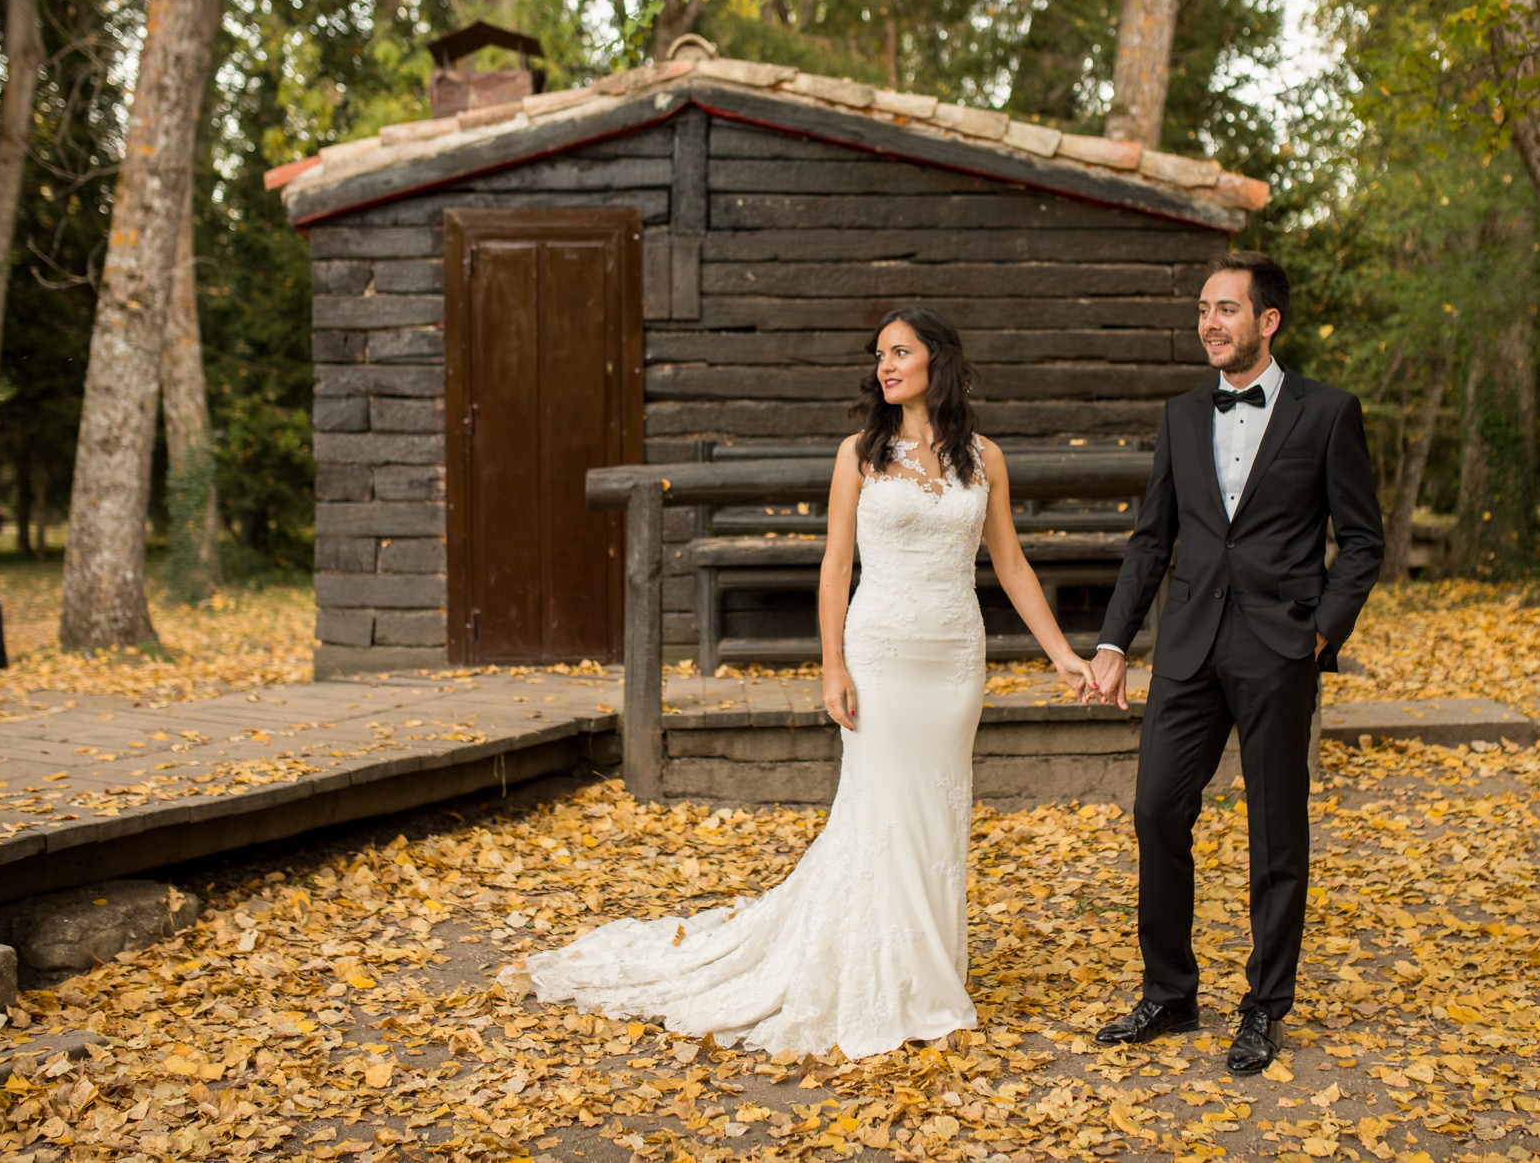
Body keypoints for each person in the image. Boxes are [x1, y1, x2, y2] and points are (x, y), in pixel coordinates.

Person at [508, 306, 1098, 1058]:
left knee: (935, 816)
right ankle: (875, 974)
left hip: (953, 659)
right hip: (880, 651)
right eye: (880, 354)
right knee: (880, 809)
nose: (886, 366)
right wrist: (832, 663)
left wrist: (1062, 654)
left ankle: (929, 973)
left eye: (901, 352)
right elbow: (834, 564)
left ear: (937, 361)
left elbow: (1010, 564)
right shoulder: (859, 453)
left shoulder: (984, 458)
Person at [1088, 251, 1383, 1075]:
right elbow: (1153, 540)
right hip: (1186, 646)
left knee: (1275, 831)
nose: (1209, 323)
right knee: (1156, 809)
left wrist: (1320, 633)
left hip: (1278, 646)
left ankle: (1263, 1006)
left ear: (1268, 321)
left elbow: (1362, 541)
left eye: (1226, 309)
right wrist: (1114, 642)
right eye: (1203, 310)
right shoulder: (1181, 415)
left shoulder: (1328, 414)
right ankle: (1170, 991)